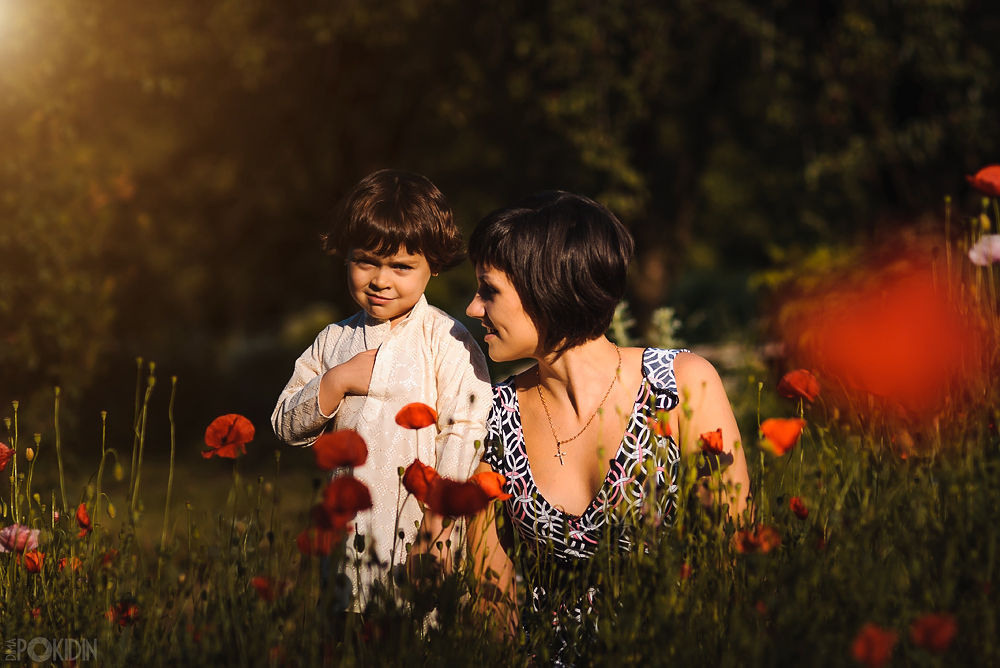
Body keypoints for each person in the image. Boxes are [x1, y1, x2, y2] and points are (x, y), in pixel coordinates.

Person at [463, 191, 750, 648]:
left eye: (489, 291)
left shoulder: (677, 385)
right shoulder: (493, 413)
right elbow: (488, 587)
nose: (473, 309)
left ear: (546, 287)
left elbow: (730, 554)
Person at [271, 169, 492, 606]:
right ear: (346, 257)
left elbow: (465, 432)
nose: (380, 280)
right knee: (350, 628)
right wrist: (336, 380)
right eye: (366, 262)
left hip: (420, 540)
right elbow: (284, 424)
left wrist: (437, 528)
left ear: (433, 266)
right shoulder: (334, 341)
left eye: (401, 267)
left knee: (415, 632)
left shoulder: (447, 340)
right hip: (347, 545)